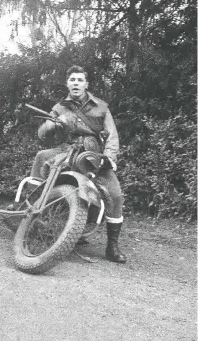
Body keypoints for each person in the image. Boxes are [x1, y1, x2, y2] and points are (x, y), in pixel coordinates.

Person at [12, 65, 127, 263]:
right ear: (67, 83)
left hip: (92, 155)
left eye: (80, 80)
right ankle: (31, 214)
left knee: (115, 195)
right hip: (67, 149)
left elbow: (112, 136)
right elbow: (42, 136)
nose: (76, 83)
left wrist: (109, 158)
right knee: (41, 156)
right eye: (72, 79)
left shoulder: (101, 107)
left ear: (86, 84)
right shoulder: (59, 107)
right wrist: (50, 125)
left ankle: (112, 247)